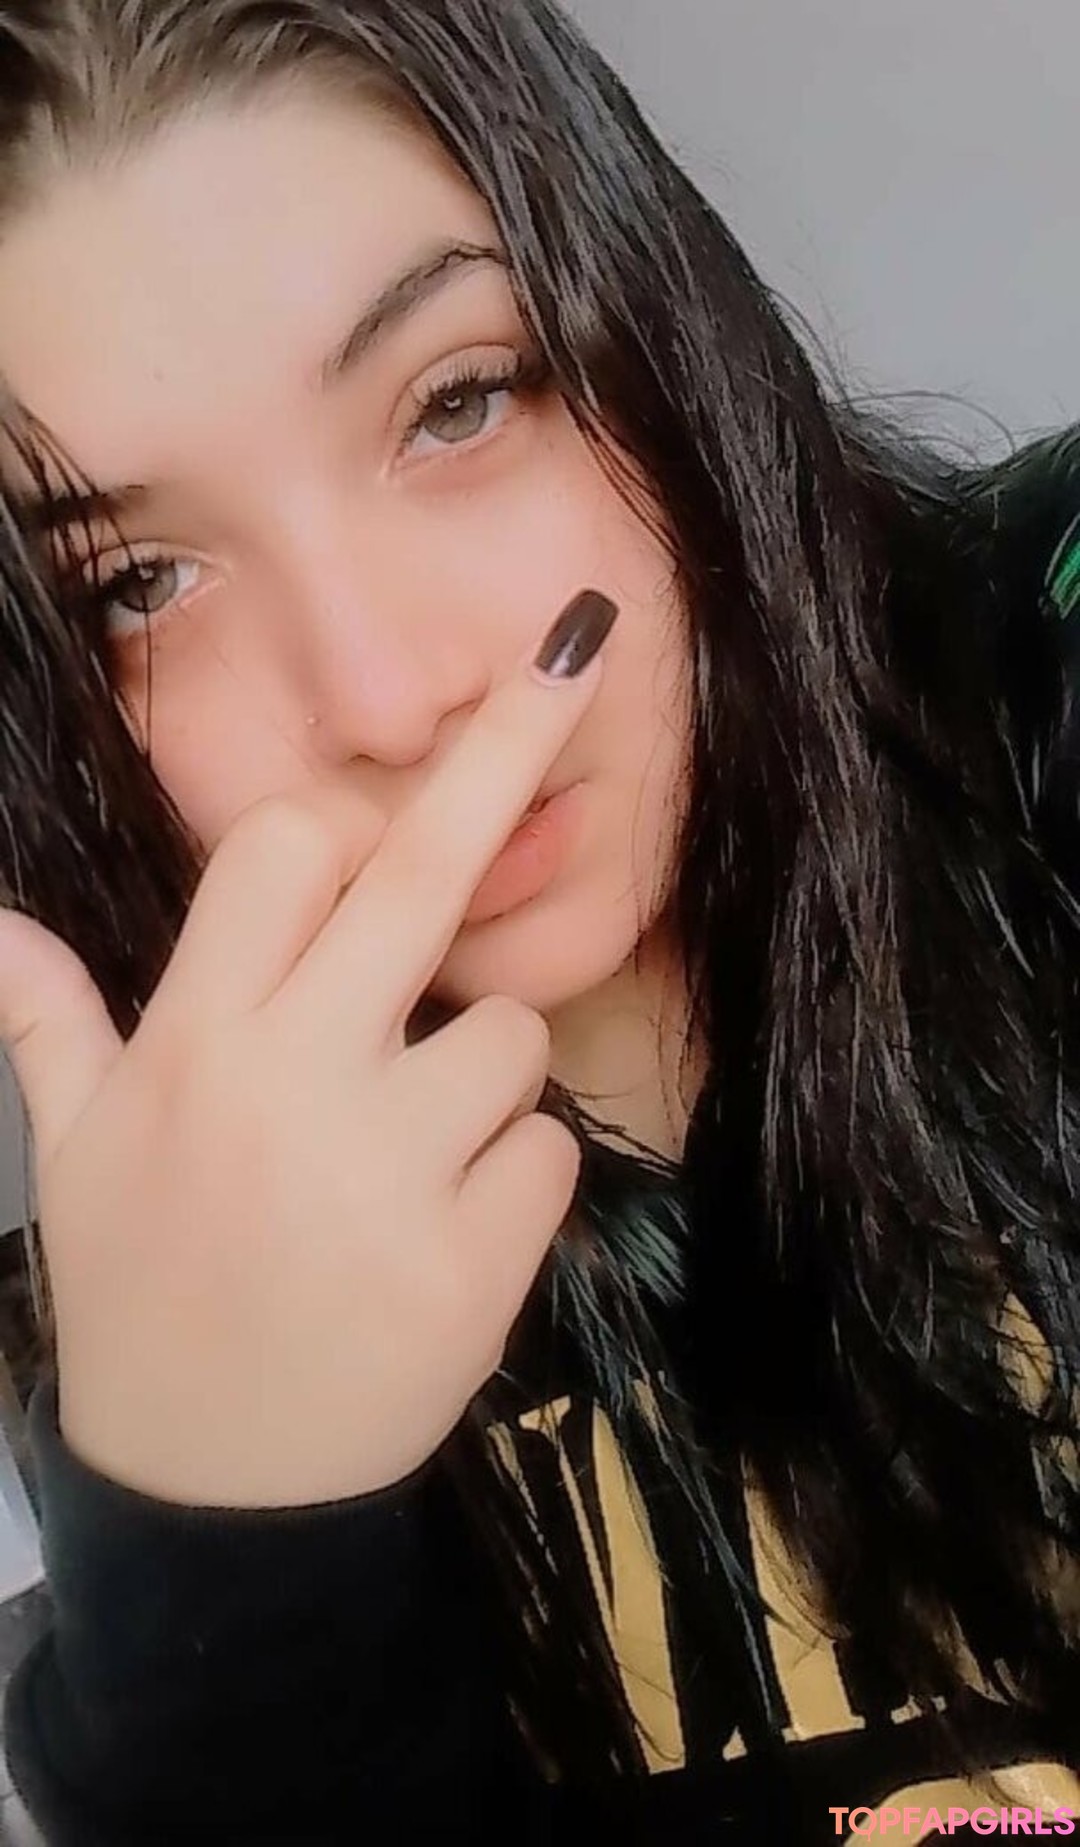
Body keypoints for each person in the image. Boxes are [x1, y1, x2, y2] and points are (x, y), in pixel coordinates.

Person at [0, 1, 1076, 1840]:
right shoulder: (162, 1288)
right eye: (140, 580)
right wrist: (221, 1570)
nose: (387, 694)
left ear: (657, 334)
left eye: (458, 400)